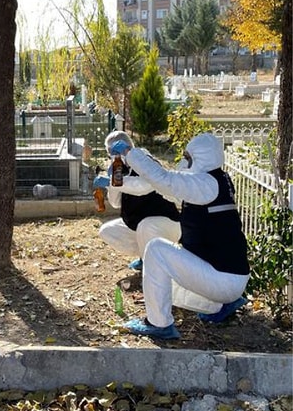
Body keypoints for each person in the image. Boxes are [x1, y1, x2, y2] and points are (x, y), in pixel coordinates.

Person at [108, 133, 249, 340]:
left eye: (188, 157)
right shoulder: (214, 180)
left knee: (156, 249)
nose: (184, 161)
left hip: (223, 277)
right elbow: (167, 189)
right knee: (162, 287)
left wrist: (130, 154)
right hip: (228, 277)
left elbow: (165, 181)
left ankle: (159, 324)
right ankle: (219, 306)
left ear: (201, 158)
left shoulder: (206, 183)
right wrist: (127, 173)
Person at [92, 131, 181, 272]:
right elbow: (116, 203)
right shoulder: (119, 167)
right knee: (108, 231)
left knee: (146, 226)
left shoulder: (145, 160)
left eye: (116, 150)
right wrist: (112, 182)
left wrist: (114, 182)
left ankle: (154, 267)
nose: (114, 154)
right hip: (140, 223)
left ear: (127, 146)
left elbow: (144, 186)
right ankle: (144, 257)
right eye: (110, 152)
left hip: (166, 223)